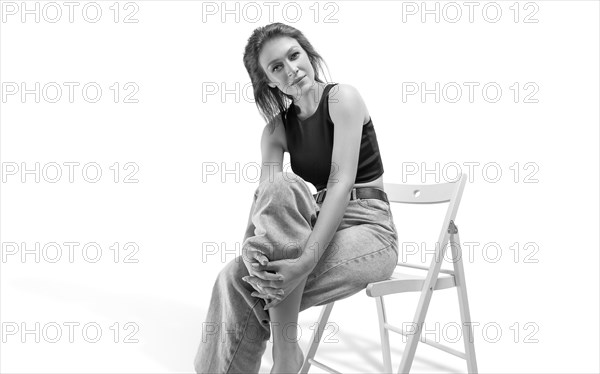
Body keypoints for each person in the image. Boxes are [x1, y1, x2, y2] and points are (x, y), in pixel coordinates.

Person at [194, 22, 399, 374]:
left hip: (370, 230)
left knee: (251, 284)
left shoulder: (342, 99)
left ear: (308, 54)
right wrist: (252, 257)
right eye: (277, 67)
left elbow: (340, 183)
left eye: (294, 56)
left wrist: (304, 262)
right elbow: (265, 201)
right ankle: (281, 356)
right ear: (269, 81)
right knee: (235, 274)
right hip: (312, 226)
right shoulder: (275, 131)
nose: (291, 69)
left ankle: (285, 356)